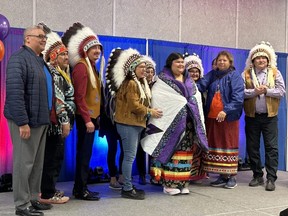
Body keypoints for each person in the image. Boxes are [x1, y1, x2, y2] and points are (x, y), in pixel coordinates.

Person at [141, 53, 208, 195]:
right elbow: (159, 100)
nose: (181, 65)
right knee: (172, 153)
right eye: (177, 62)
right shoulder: (162, 81)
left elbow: (196, 100)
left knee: (186, 154)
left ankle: (183, 182)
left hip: (188, 125)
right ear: (170, 64)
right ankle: (169, 184)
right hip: (170, 125)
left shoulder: (190, 82)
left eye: (182, 62)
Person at [4, 25, 52, 216]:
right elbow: (15, 93)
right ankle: (22, 205)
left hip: (40, 121)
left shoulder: (38, 61)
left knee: (36, 165)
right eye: (40, 36)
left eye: (45, 37)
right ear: (27, 39)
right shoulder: (19, 59)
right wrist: (22, 121)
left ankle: (32, 198)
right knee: (24, 164)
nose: (44, 39)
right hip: (26, 122)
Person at [106, 48, 163, 200]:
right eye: (141, 67)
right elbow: (134, 106)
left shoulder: (139, 83)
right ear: (133, 69)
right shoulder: (131, 83)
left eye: (145, 67)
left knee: (128, 156)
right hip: (128, 124)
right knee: (129, 157)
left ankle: (128, 185)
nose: (144, 70)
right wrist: (150, 111)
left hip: (134, 124)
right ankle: (127, 188)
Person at [62, 23, 104, 200]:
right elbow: (79, 97)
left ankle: (81, 187)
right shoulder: (81, 66)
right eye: (93, 48)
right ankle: (80, 189)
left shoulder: (92, 67)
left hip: (92, 118)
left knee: (86, 154)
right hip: (85, 118)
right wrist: (87, 120)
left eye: (99, 48)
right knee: (84, 154)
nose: (97, 51)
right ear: (86, 50)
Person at [38, 23, 75, 204]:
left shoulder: (60, 73)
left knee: (53, 157)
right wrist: (64, 121)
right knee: (52, 158)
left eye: (67, 53)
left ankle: (48, 190)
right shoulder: (54, 74)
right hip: (56, 125)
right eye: (62, 54)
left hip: (56, 124)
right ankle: (47, 194)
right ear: (53, 57)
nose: (66, 57)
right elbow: (58, 100)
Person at [197, 50, 244, 189]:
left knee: (228, 144)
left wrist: (226, 110)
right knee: (217, 146)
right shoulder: (212, 75)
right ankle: (222, 176)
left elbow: (238, 98)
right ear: (216, 62)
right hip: (212, 117)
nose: (221, 62)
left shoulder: (234, 76)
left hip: (228, 118)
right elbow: (200, 85)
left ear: (230, 62)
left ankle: (232, 176)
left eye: (224, 60)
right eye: (219, 60)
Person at [242, 41, 285, 191]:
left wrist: (266, 91)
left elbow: (281, 91)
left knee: (271, 148)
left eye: (264, 58)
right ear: (252, 60)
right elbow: (240, 93)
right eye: (258, 58)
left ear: (268, 60)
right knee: (252, 147)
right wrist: (254, 92)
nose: (261, 60)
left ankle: (271, 178)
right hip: (252, 116)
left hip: (270, 117)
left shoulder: (275, 72)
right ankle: (257, 175)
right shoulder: (246, 74)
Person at [99, 49, 124, 190]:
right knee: (112, 149)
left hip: (123, 120)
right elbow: (106, 101)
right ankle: (112, 177)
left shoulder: (126, 78)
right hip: (109, 121)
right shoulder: (107, 78)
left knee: (125, 150)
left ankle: (122, 175)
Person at [184, 53, 207, 181]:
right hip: (187, 122)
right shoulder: (183, 86)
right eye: (191, 71)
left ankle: (197, 174)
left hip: (199, 122)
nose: (194, 74)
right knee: (187, 147)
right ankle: (185, 174)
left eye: (196, 71)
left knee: (198, 147)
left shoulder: (203, 87)